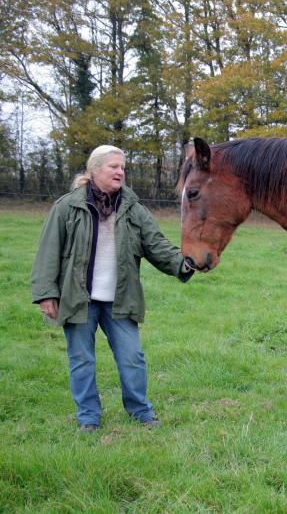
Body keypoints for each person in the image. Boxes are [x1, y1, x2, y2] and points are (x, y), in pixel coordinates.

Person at [31, 145, 193, 433]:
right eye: (114, 167)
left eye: (123, 168)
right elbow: (48, 252)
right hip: (78, 299)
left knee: (132, 358)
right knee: (81, 360)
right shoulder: (67, 207)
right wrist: (46, 294)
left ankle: (140, 411)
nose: (120, 172)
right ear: (95, 170)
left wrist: (187, 263)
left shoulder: (133, 209)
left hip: (120, 299)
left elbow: (156, 245)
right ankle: (88, 418)